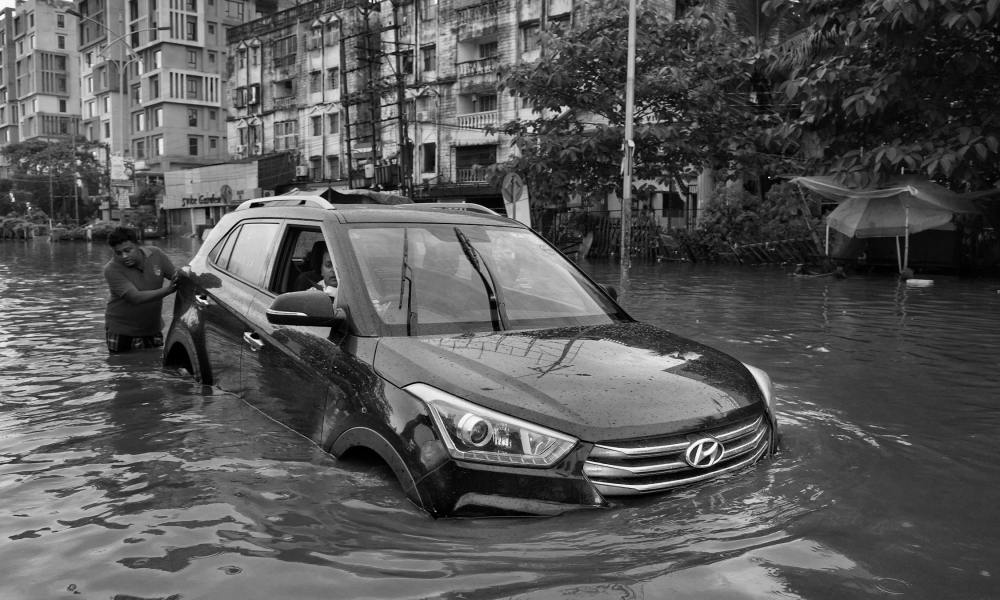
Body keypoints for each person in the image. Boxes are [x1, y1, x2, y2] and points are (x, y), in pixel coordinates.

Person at [103, 226, 179, 353]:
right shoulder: (111, 269)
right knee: (123, 369)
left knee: (154, 367)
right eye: (118, 253)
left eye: (128, 250)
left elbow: (178, 277)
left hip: (152, 329)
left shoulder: (156, 254)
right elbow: (135, 297)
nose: (124, 256)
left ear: (137, 245)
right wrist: (168, 290)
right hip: (122, 332)